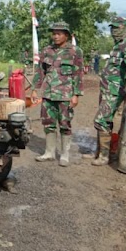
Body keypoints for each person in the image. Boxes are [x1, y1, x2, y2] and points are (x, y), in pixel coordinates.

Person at [30, 22, 83, 167]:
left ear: (66, 35)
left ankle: (64, 154)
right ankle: (49, 153)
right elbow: (41, 71)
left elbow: (78, 74)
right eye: (54, 33)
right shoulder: (47, 50)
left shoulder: (74, 51)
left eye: (59, 33)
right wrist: (35, 88)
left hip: (65, 95)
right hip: (48, 94)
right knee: (48, 123)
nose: (55, 36)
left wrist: (76, 94)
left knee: (65, 124)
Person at [91, 16, 126, 166]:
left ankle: (105, 157)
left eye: (117, 28)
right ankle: (99, 153)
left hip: (115, 91)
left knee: (101, 120)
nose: (113, 31)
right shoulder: (117, 45)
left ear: (124, 28)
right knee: (106, 121)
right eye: (112, 28)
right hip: (107, 89)